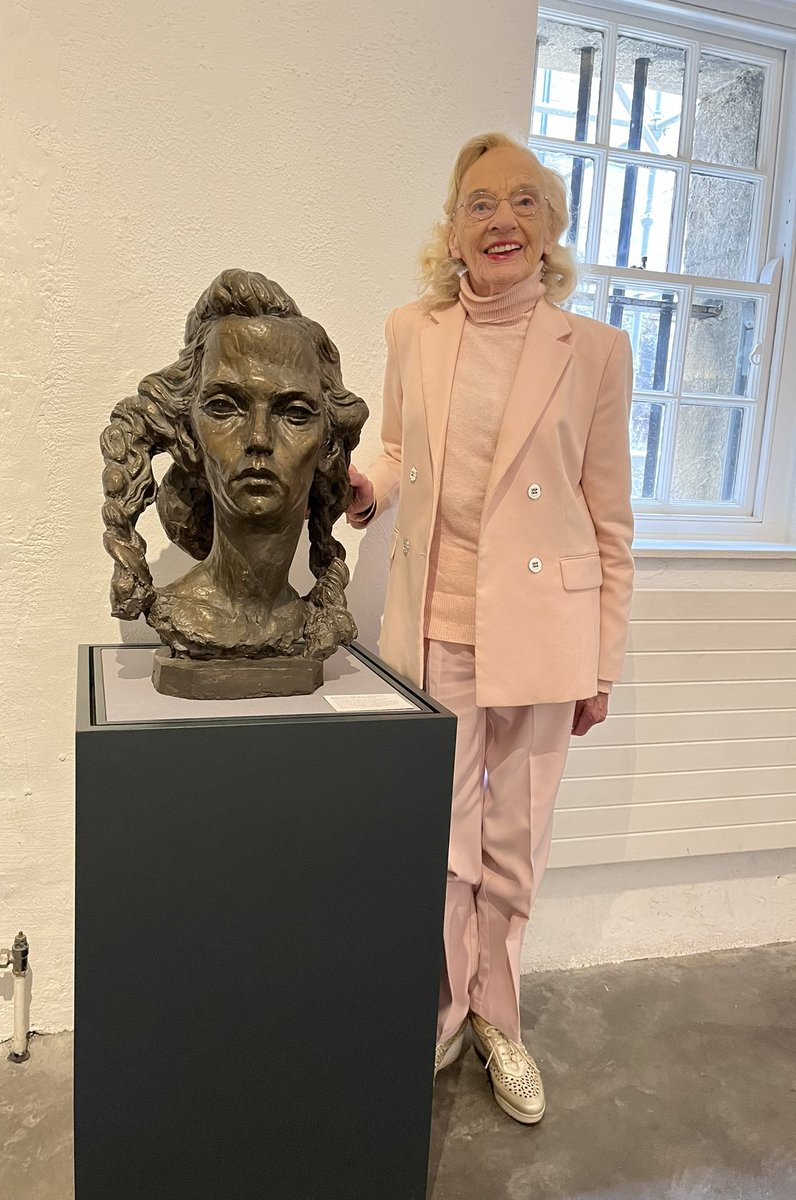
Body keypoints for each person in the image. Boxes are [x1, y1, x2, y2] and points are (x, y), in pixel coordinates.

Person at [347, 132, 634, 1124]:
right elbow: (390, 443)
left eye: (521, 201)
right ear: (454, 229)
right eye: (478, 204)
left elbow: (610, 516)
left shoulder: (595, 350)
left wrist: (604, 660)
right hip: (434, 628)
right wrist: (363, 486)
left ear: (550, 227)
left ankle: (498, 1023)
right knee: (443, 842)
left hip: (547, 634)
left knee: (514, 842)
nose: (499, 219)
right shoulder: (410, 329)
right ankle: (437, 1016)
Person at [101, 268, 368, 662]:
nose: (258, 438)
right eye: (224, 407)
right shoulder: (181, 611)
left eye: (293, 413)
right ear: (188, 433)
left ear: (328, 443)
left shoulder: (309, 621)